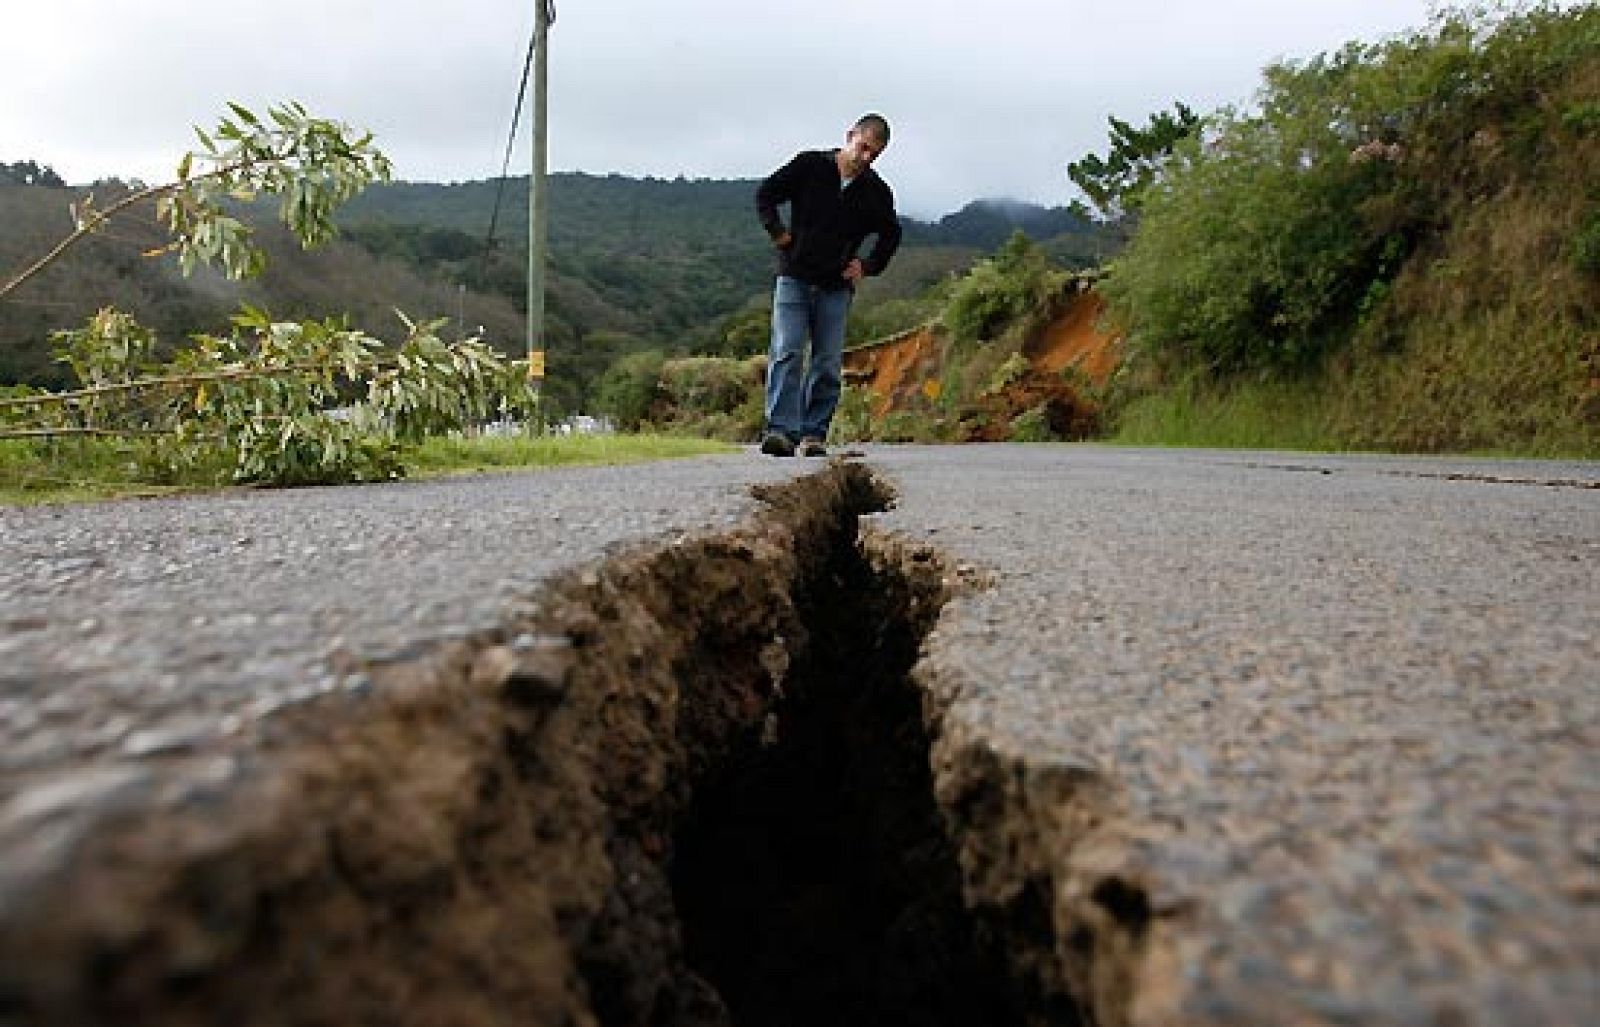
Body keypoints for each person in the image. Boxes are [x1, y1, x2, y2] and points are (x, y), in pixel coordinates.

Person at [754, 113, 902, 457]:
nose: (865, 158)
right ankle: (780, 430)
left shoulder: (876, 192)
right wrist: (777, 232)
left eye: (874, 154)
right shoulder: (810, 165)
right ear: (850, 135)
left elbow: (891, 234)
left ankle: (813, 434)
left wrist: (868, 265)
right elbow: (766, 194)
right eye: (863, 148)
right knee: (788, 349)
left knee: (827, 361)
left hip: (836, 284)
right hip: (795, 274)